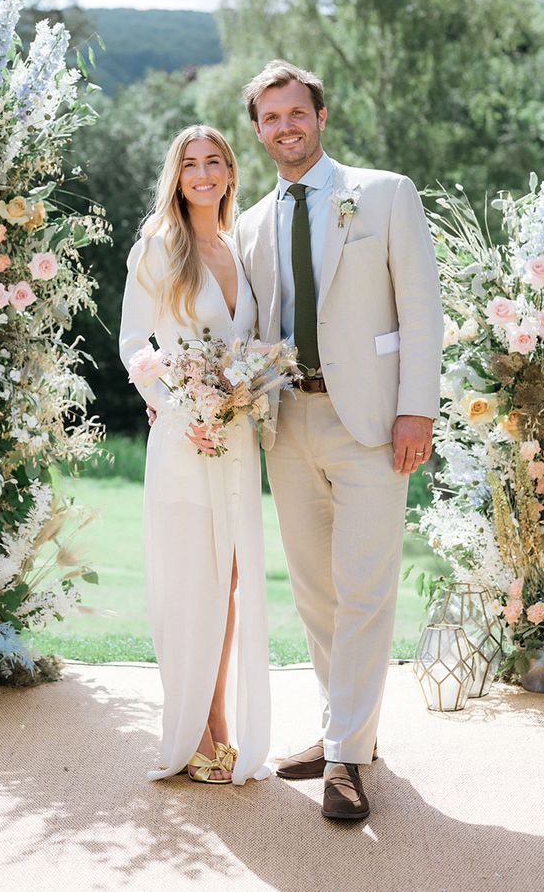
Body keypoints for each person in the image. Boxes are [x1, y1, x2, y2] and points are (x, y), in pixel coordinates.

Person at [234, 61, 443, 821]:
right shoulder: (251, 221)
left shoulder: (384, 194)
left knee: (363, 588)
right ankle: (342, 733)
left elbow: (422, 308)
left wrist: (416, 410)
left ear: (320, 116)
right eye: (270, 117)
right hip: (287, 425)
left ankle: (348, 758)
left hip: (372, 426)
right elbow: (252, 331)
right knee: (318, 593)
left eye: (296, 112)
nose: (285, 126)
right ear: (257, 130)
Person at [119, 125, 270, 785]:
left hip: (236, 438)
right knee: (193, 582)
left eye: (214, 162)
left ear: (230, 174)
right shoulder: (157, 246)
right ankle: (198, 731)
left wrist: (251, 385)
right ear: (177, 177)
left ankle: (224, 724)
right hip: (186, 436)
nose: (203, 174)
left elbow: (257, 344)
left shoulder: (240, 247)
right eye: (191, 164)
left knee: (230, 580)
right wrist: (175, 399)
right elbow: (132, 342)